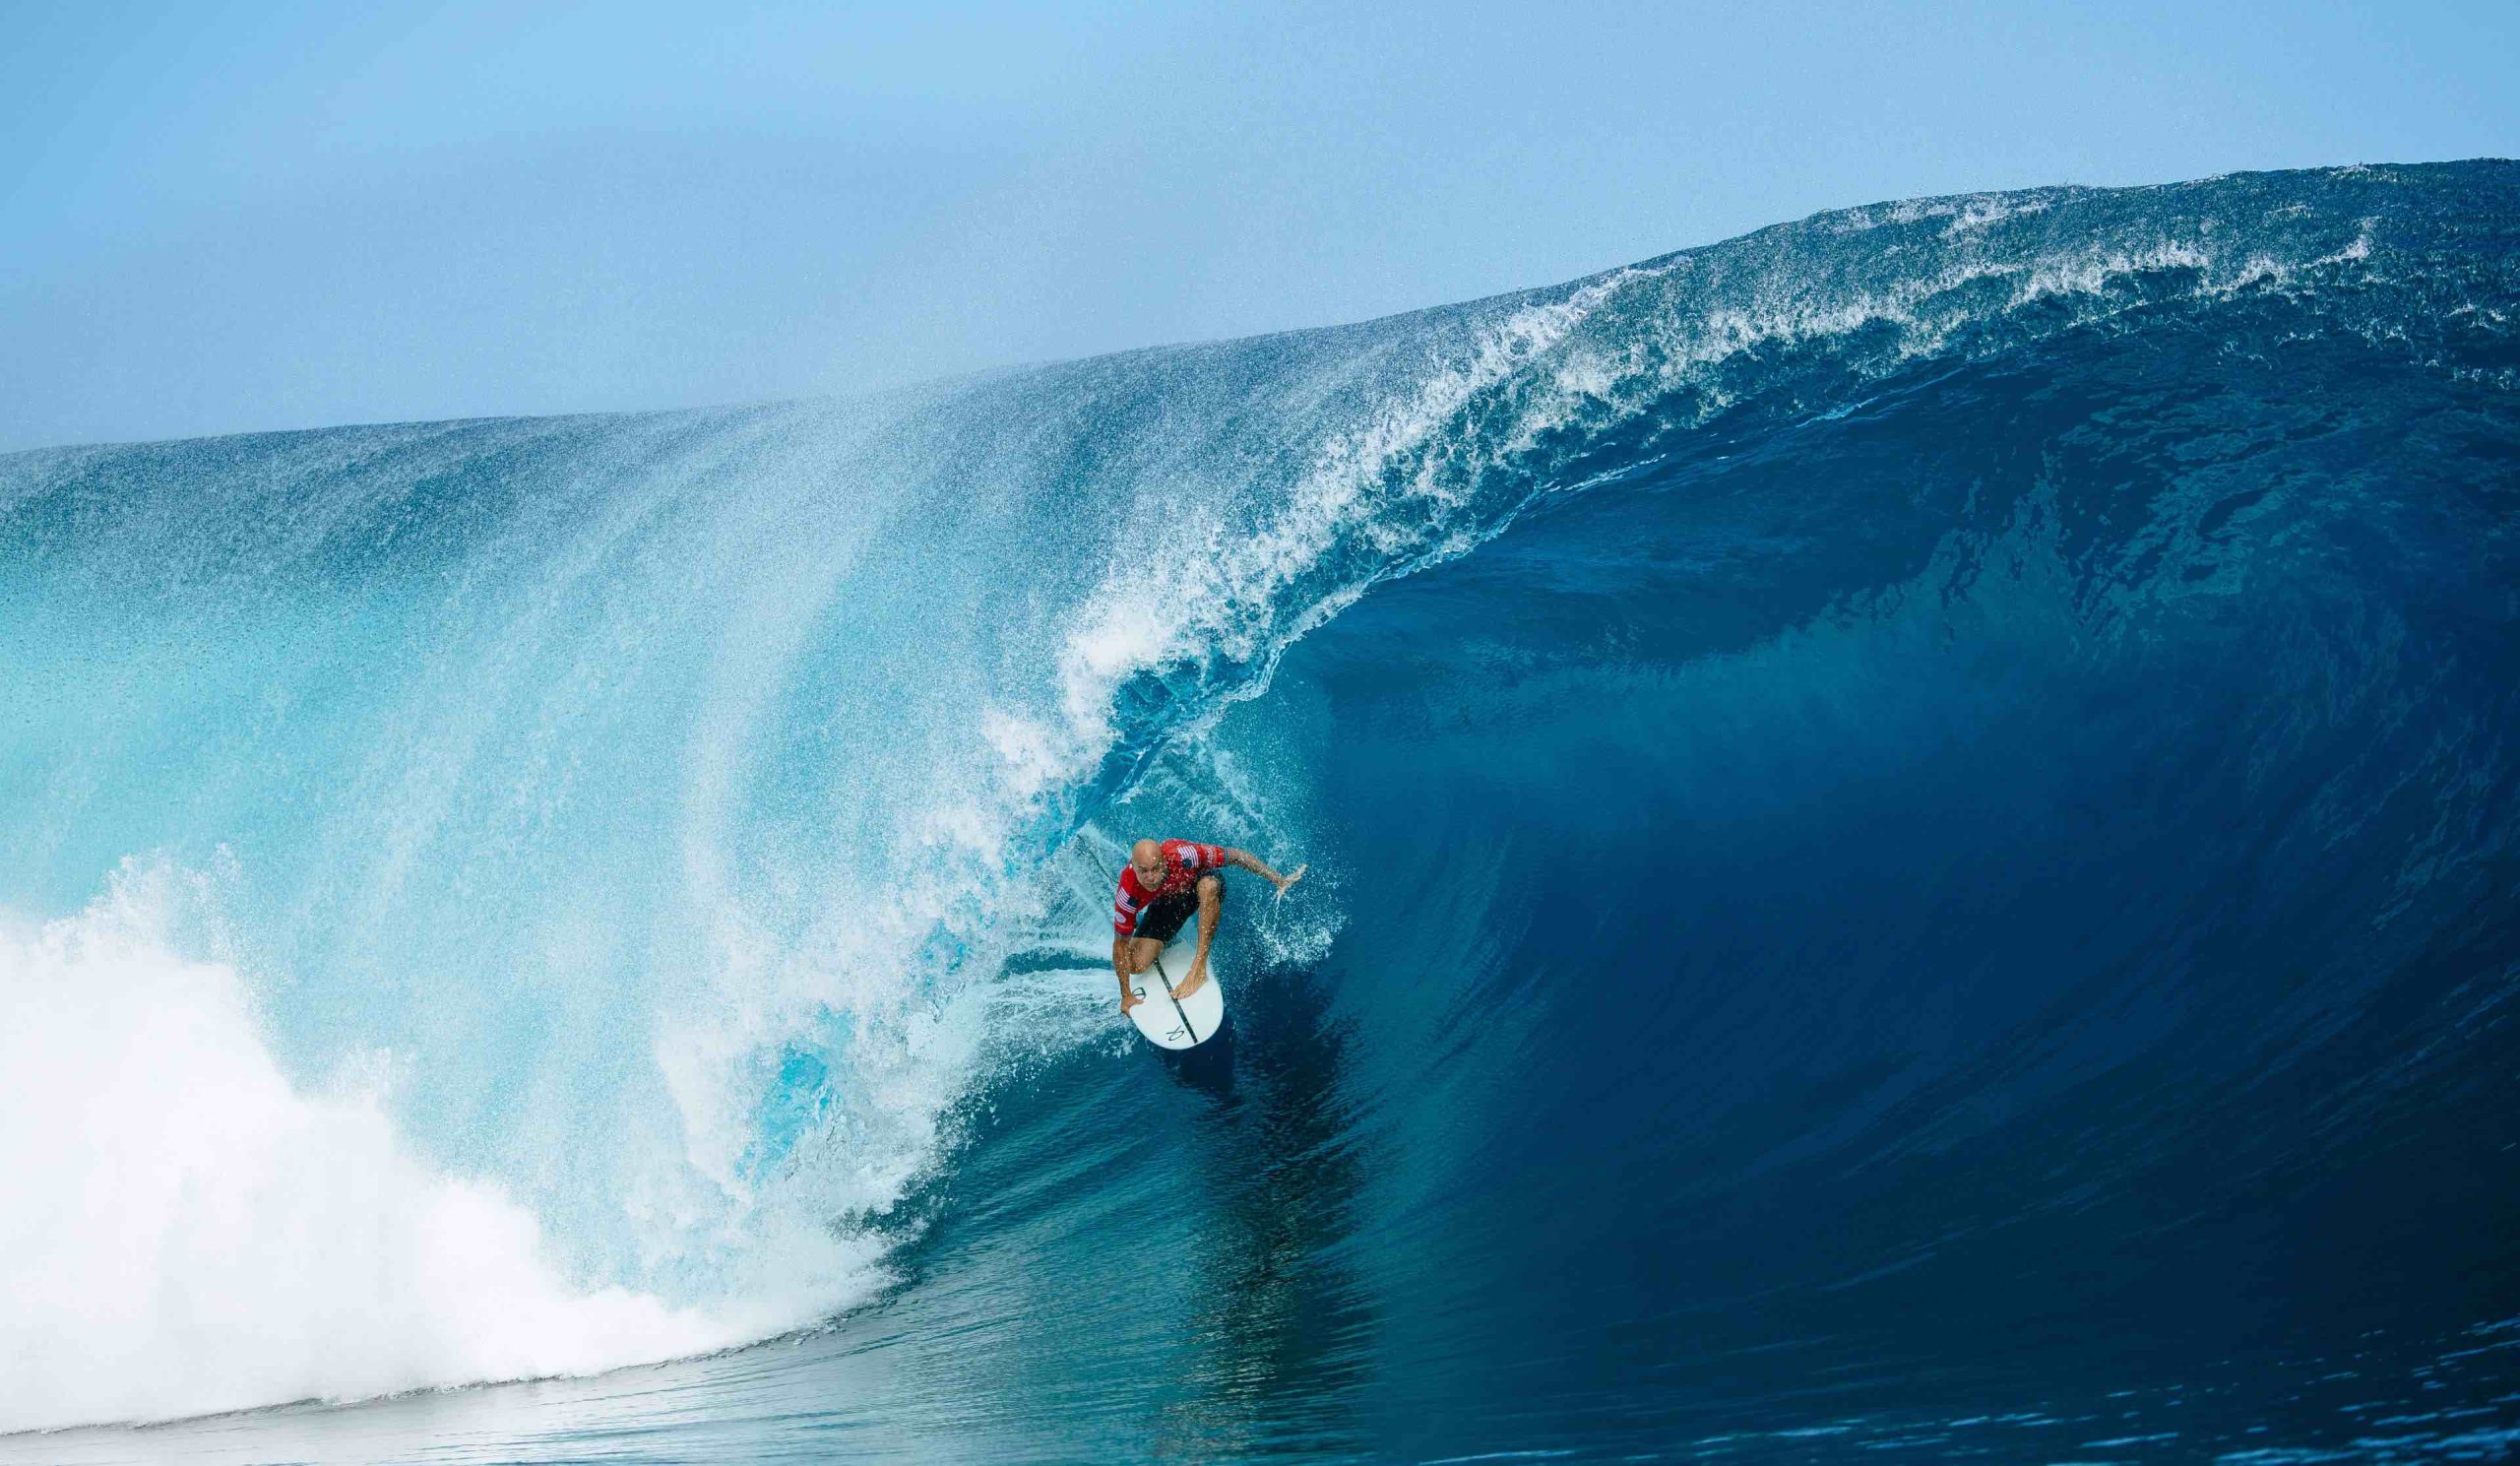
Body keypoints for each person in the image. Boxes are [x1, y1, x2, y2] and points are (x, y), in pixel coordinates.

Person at [1111, 837, 1304, 1013]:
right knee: (1135, 965)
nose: (1151, 877)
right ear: (1133, 867)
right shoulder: (1127, 895)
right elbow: (1119, 944)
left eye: (1156, 868)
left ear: (1164, 861)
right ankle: (1156, 937)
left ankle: (1199, 968)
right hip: (1170, 903)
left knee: (1208, 886)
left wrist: (1278, 879)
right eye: (1143, 871)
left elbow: (1235, 856)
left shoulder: (1184, 855)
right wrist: (1126, 995)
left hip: (1202, 887)